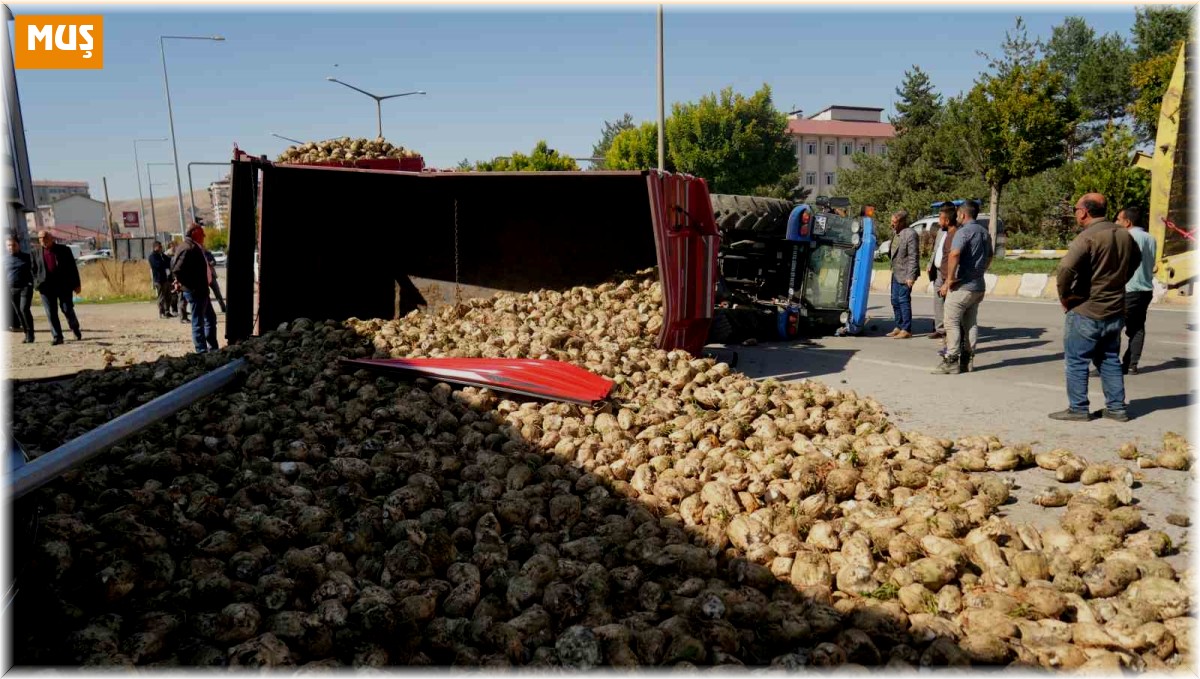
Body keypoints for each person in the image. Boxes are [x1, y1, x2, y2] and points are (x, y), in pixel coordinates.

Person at [1051, 192, 1141, 422]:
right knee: (1109, 358)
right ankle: (1116, 408)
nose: (1075, 214)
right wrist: (1119, 281)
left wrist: (1066, 296)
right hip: (1114, 308)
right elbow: (1136, 262)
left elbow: (1065, 269)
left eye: (1075, 209)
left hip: (1086, 309)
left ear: (1083, 212)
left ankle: (1078, 409)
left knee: (1077, 361)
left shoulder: (1087, 237)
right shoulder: (1124, 234)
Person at [933, 201, 992, 374]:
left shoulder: (963, 232)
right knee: (970, 323)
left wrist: (949, 280)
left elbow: (955, 253)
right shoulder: (984, 232)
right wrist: (980, 271)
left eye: (958, 214)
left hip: (962, 287)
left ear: (963, 215)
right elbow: (990, 256)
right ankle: (968, 359)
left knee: (951, 322)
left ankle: (951, 360)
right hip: (978, 286)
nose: (957, 217)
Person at [1118, 206, 1156, 375]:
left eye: (1119, 219)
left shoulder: (1127, 236)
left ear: (1127, 222)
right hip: (1145, 289)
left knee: (1112, 328)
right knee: (1137, 328)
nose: (1116, 223)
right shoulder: (1151, 238)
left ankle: (1107, 365)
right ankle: (1131, 364)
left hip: (1128, 288)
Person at [171, 224, 219, 353]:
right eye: (202, 233)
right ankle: (201, 351)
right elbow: (177, 270)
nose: (204, 236)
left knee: (210, 319)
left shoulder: (193, 246)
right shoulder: (188, 248)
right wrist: (189, 285)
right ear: (194, 232)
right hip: (196, 291)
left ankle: (213, 347)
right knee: (198, 322)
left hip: (202, 290)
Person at [29, 230, 81, 346]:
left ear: (51, 238)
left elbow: (73, 268)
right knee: (51, 312)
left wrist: (77, 284)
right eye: (40, 238)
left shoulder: (64, 250)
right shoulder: (35, 253)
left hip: (63, 285)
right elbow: (33, 270)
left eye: (45, 237)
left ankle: (75, 328)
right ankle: (57, 336)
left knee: (67, 309)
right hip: (46, 287)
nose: (43, 240)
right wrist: (37, 283)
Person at [927, 203, 958, 343]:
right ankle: (939, 329)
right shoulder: (941, 232)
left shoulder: (957, 233)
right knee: (938, 301)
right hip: (938, 271)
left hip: (949, 272)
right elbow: (936, 249)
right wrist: (930, 264)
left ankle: (949, 332)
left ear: (947, 219)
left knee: (949, 303)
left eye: (940, 219)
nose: (938, 222)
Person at [887, 210, 919, 339]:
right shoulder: (896, 232)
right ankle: (899, 326)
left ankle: (906, 329)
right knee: (894, 300)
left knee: (903, 300)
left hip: (906, 274)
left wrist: (911, 276)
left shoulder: (910, 234)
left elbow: (913, 256)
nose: (892, 225)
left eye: (894, 222)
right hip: (896, 271)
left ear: (902, 222)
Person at [6, 234, 35, 343]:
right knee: (18, 312)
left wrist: (32, 283)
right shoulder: (3, 259)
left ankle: (31, 334)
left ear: (18, 245)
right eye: (9, 245)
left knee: (24, 309)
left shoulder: (27, 257)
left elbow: (36, 270)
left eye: (13, 245)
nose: (11, 247)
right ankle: (26, 334)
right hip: (11, 289)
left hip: (25, 287)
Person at [148, 240, 175, 319]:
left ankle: (167, 311)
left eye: (161, 247)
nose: (161, 248)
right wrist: (165, 264)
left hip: (166, 279)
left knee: (168, 296)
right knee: (161, 297)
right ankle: (161, 312)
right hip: (159, 280)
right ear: (155, 247)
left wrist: (166, 263)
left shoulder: (162, 255)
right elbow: (158, 265)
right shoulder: (152, 256)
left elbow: (169, 261)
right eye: (160, 247)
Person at [204, 248, 227, 313]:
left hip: (212, 276)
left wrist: (210, 263)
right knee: (205, 295)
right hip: (203, 277)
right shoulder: (197, 253)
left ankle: (223, 308)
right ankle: (206, 310)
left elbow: (214, 262)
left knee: (218, 293)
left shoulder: (208, 253)